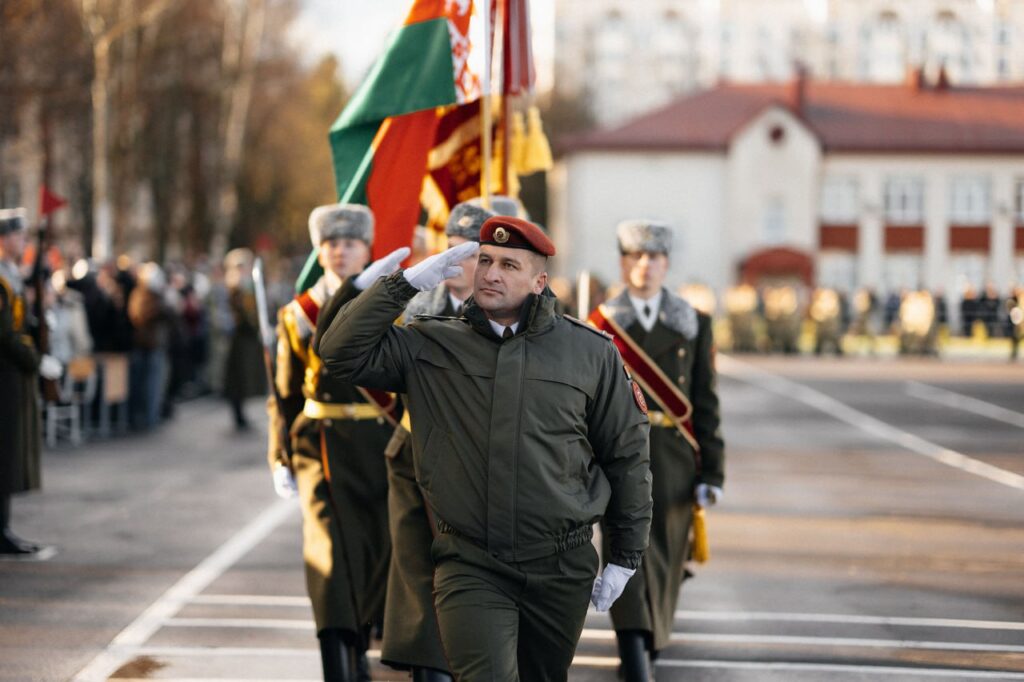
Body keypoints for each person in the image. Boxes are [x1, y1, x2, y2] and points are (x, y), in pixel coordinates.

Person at [316, 215, 653, 682]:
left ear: (539, 282)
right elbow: (338, 351)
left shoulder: (591, 352)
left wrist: (625, 556)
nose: (491, 273)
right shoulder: (431, 343)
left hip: (561, 565)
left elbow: (626, 456)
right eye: (486, 260)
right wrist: (403, 285)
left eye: (509, 265)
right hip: (471, 563)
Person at [588, 220, 725, 681]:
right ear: (622, 262)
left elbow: (705, 403)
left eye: (654, 257)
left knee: (665, 557)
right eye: (635, 256)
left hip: (674, 458)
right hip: (618, 454)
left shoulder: (694, 324)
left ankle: (650, 641)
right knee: (623, 547)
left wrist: (713, 473)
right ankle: (634, 653)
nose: (644, 265)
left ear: (666, 264)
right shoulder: (600, 324)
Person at [266, 203, 395, 681]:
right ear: (319, 252)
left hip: (383, 445)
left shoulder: (391, 306)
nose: (341, 251)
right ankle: (337, 653)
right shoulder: (298, 314)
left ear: (367, 249)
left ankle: (360, 638)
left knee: (379, 552)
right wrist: (279, 455)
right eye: (332, 243)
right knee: (331, 558)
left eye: (351, 243)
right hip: (320, 448)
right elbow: (284, 395)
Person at [379, 199, 502, 682]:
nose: (456, 261)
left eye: (468, 253)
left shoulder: (510, 314)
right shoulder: (416, 309)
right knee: (420, 570)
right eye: (450, 248)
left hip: (482, 462)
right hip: (418, 456)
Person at [0, 208, 61, 556]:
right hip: (5, 374)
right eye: (17, 236)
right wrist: (36, 360)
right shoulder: (2, 278)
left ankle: (3, 527)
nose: (22, 241)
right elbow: (5, 334)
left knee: (10, 451)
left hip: (14, 375)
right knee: (4, 450)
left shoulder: (11, 274)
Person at [221, 248, 264, 429]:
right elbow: (239, 315)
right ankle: (237, 413)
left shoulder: (245, 287)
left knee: (242, 378)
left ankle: (240, 413)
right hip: (237, 338)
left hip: (245, 338)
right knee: (237, 378)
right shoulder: (234, 287)